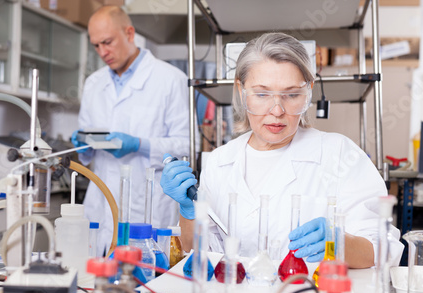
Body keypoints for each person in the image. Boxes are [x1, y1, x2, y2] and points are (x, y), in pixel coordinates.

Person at [160, 32, 404, 269]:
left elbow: (383, 250)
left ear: (308, 92)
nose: (277, 110)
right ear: (241, 92)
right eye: (262, 93)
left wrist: (341, 243)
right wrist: (188, 212)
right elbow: (196, 255)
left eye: (291, 94)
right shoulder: (220, 161)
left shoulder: (339, 154)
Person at [72, 6, 190, 252]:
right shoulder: (94, 83)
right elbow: (87, 156)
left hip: (148, 206)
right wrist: (82, 144)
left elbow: (187, 145)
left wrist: (139, 144)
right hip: (101, 206)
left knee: (146, 282)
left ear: (129, 33)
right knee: (97, 282)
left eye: (108, 42)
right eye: (96, 46)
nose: (103, 52)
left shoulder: (170, 79)